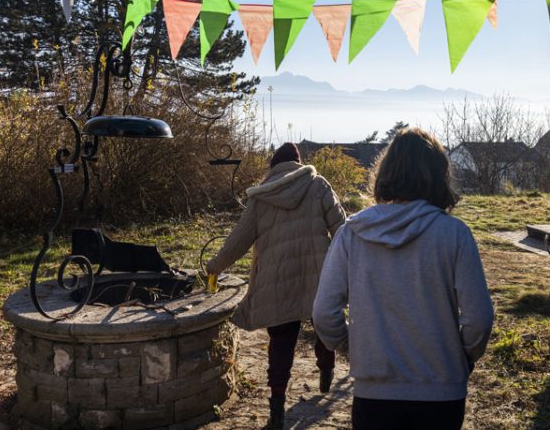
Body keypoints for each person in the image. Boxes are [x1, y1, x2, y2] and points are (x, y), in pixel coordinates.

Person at [313, 128, 494, 430]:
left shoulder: (351, 234)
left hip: (374, 393)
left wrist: (351, 348)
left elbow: (323, 313)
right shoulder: (455, 234)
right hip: (441, 393)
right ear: (439, 175)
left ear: (386, 172)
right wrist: (461, 357)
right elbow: (479, 318)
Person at [205, 142, 346, 430]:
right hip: (317, 276)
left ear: (273, 167)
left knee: (281, 344)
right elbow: (342, 229)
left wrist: (214, 267)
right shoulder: (318, 185)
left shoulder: (261, 197)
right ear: (298, 163)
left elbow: (238, 240)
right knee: (323, 325)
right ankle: (326, 369)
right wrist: (345, 267)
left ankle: (278, 409)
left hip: (277, 280)